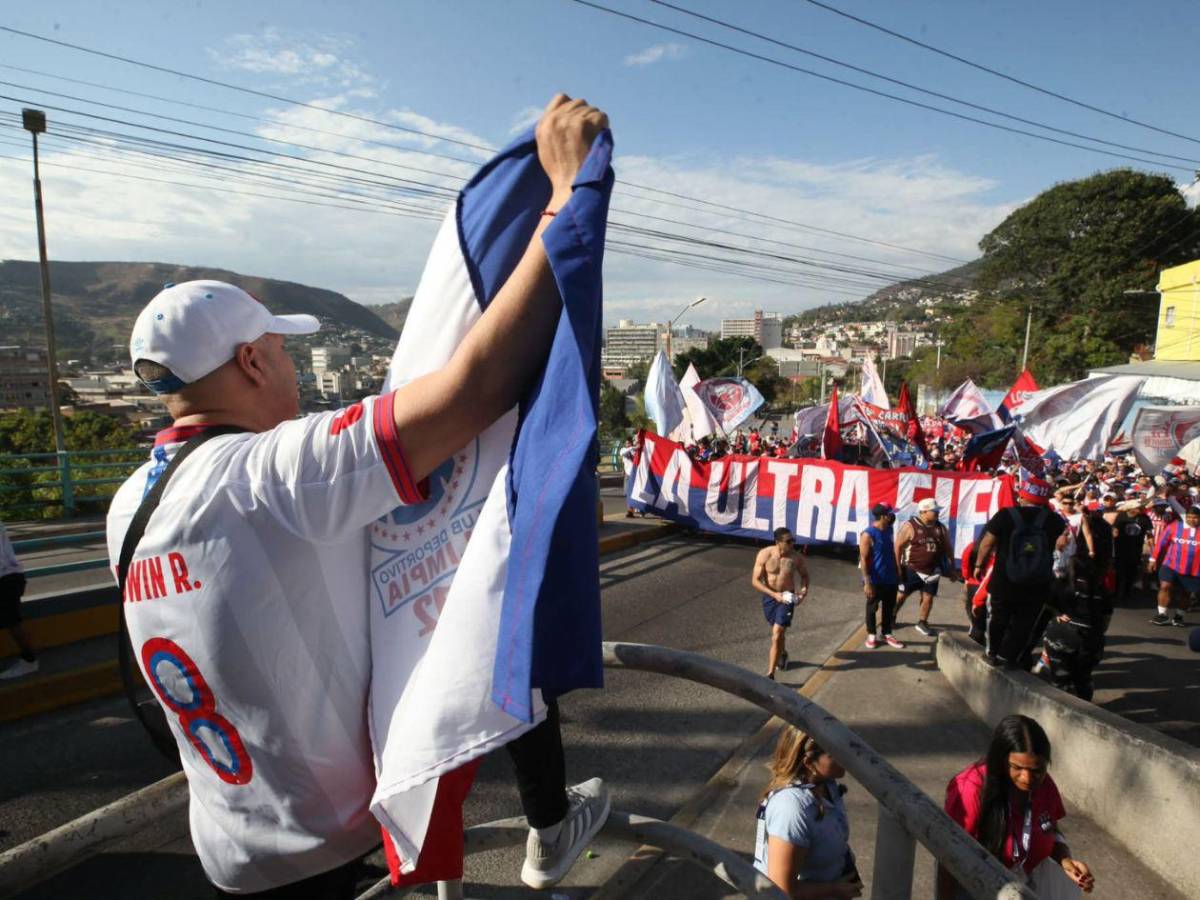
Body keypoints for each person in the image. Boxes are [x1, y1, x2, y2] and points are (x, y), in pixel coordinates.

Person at [104, 94, 611, 899]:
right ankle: (551, 822)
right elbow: (476, 386)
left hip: (229, 850)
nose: (293, 371)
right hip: (320, 848)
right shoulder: (270, 473)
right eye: (281, 350)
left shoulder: (128, 503)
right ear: (250, 364)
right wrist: (559, 202)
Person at [938, 715, 1094, 898]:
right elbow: (948, 854)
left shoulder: (1045, 786)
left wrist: (1066, 860)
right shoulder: (972, 789)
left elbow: (1048, 828)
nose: (1027, 778)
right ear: (1001, 761)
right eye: (1017, 767)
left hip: (1022, 888)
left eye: (1037, 770)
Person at [754, 725, 862, 899]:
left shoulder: (826, 784)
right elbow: (781, 889)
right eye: (835, 752)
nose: (846, 755)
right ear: (809, 763)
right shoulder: (790, 810)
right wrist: (834, 889)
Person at [973, 474, 1068, 668]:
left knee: (998, 618)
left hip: (1004, 579)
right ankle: (1008, 657)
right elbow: (1063, 546)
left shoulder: (1005, 515)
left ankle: (991, 653)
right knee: (1025, 623)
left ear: (1023, 495)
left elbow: (986, 543)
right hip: (1038, 582)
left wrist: (978, 565)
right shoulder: (1055, 521)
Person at [752, 527, 810, 678]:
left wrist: (803, 592)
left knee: (777, 634)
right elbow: (755, 581)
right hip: (770, 597)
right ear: (778, 542)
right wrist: (773, 594)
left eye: (793, 541)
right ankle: (782, 652)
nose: (792, 544)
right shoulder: (765, 554)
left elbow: (805, 576)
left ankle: (770, 674)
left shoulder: (795, 558)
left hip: (786, 597)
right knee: (778, 633)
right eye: (788, 541)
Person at [895, 497, 953, 637]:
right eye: (935, 511)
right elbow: (898, 547)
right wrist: (897, 567)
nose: (938, 513)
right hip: (912, 569)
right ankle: (890, 617)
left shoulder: (940, 527)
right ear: (924, 511)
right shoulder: (910, 526)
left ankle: (922, 622)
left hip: (932, 571)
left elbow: (947, 548)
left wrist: (952, 568)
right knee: (901, 596)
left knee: (928, 598)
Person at [859, 504, 904, 650]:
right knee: (872, 607)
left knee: (889, 607)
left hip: (890, 578)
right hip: (875, 579)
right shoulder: (868, 534)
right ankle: (871, 634)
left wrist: (898, 571)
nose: (893, 516)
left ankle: (887, 633)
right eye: (890, 514)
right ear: (884, 516)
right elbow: (864, 560)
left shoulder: (889, 529)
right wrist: (867, 582)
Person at [1148, 504, 1200, 627]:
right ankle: (1162, 615)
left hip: (1193, 569)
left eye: (1195, 517)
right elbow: (1161, 543)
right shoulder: (1174, 527)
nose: (1192, 520)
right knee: (1165, 586)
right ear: (1186, 517)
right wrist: (1152, 559)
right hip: (1171, 565)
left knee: (1186, 593)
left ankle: (1179, 616)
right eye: (1190, 517)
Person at [0, 519, 38, 680]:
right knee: (13, 620)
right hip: (12, 575)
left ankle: (29, 660)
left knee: (13, 621)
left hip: (5, 577)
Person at [620, 437, 638, 517]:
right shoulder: (623, 449)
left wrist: (634, 449)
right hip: (628, 474)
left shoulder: (634, 451)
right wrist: (633, 447)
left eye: (629, 443)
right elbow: (622, 454)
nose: (628, 445)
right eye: (627, 443)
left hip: (635, 475)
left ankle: (633, 510)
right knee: (628, 493)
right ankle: (630, 511)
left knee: (634, 493)